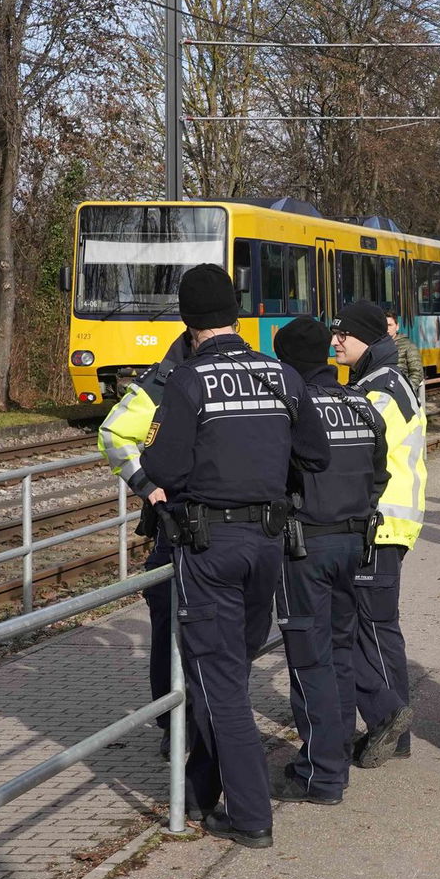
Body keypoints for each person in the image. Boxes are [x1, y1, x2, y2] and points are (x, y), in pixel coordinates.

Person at [141, 264, 331, 848]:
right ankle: (200, 790)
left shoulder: (188, 381)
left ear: (187, 321)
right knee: (228, 671)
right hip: (267, 547)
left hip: (209, 549)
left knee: (220, 683)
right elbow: (317, 455)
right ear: (237, 315)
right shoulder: (281, 375)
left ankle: (250, 816)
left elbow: (162, 466)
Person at [271, 317, 389, 806]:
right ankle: (335, 758)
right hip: (355, 545)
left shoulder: (291, 410)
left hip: (305, 548)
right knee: (340, 653)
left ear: (287, 362)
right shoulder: (361, 404)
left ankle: (320, 775)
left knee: (309, 660)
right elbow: (380, 474)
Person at [332, 300, 427, 768]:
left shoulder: (380, 388)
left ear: (365, 338)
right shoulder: (379, 379)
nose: (335, 341)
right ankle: (389, 728)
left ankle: (392, 727)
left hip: (380, 524)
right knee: (374, 628)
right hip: (385, 522)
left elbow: (357, 451)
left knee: (374, 628)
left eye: (343, 334)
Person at [96, 332, 191, 758]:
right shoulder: (162, 381)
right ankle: (175, 724)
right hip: (176, 531)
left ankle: (195, 723)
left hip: (216, 532)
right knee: (170, 630)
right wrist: (147, 486)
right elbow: (113, 434)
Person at [386, 311, 427, 407]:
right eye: (384, 325)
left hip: (401, 398)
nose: (387, 329)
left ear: (397, 326)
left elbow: (417, 372)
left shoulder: (408, 346)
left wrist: (406, 391)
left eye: (390, 325)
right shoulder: (376, 346)